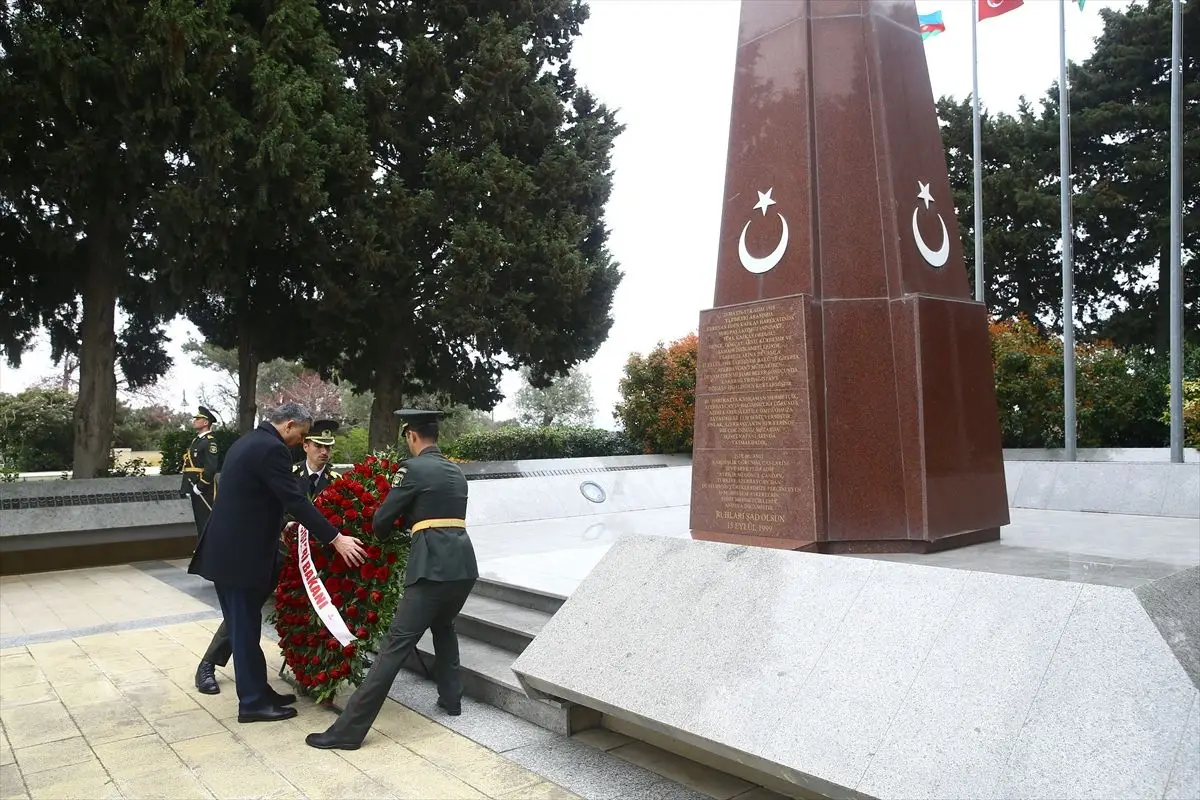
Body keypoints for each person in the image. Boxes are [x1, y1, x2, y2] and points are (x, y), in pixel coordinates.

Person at [305, 408, 479, 750]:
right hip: (463, 567)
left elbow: (383, 520)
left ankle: (348, 732)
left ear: (411, 436)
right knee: (444, 628)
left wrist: (387, 529)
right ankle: (452, 699)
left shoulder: (412, 469)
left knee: (394, 648)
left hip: (431, 567)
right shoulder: (456, 472)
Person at [189, 403, 368, 723]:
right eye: (300, 435)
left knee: (246, 626)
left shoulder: (248, 441)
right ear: (288, 425)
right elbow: (295, 501)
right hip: (240, 557)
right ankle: (253, 703)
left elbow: (259, 498)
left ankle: (258, 689)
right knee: (243, 629)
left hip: (228, 553)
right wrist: (336, 538)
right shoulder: (272, 449)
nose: (300, 442)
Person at [180, 405, 219, 536]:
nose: (194, 420)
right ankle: (203, 552)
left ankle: (209, 552)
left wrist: (201, 485)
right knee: (200, 522)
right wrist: (187, 486)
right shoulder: (197, 440)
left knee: (207, 522)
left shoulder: (209, 441)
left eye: (198, 418)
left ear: (206, 422)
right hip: (194, 485)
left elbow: (211, 467)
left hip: (204, 488)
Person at [295, 419, 342, 499]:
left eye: (327, 447)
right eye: (318, 445)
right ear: (305, 447)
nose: (324, 452)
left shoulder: (337, 480)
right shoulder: (291, 474)